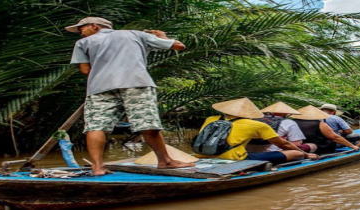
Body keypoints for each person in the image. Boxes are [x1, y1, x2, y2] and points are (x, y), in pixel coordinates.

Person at [66, 17, 193, 175]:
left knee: (96, 126)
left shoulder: (82, 44)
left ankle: (98, 167)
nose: (80, 33)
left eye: (81, 29)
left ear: (94, 26)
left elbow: (85, 70)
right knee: (147, 123)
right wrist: (162, 37)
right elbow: (179, 46)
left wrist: (104, 74)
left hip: (99, 87)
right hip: (136, 82)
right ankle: (165, 161)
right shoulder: (135, 34)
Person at [199, 98, 319, 164]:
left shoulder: (211, 119)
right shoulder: (256, 125)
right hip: (234, 159)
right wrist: (306, 154)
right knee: (296, 153)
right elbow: (284, 144)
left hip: (202, 155)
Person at [247, 102, 317, 153]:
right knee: (312, 145)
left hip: (248, 151)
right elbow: (297, 143)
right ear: (286, 113)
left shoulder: (253, 119)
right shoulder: (288, 122)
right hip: (274, 152)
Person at [292, 106, 360, 154]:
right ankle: (357, 147)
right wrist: (352, 146)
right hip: (321, 147)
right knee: (356, 137)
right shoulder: (319, 123)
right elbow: (334, 137)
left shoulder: (292, 122)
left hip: (302, 144)